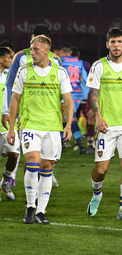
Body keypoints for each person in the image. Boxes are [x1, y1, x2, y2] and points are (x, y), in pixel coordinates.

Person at [7, 35, 73, 224]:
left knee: (46, 169)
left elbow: (68, 101)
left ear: (46, 50)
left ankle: (41, 211)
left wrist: (68, 125)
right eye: (31, 48)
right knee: (33, 164)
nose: (32, 52)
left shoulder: (60, 72)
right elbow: (15, 99)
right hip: (30, 125)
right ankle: (30, 206)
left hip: (52, 127)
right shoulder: (23, 71)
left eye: (35, 49)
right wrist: (12, 127)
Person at [86, 27, 122, 221]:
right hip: (106, 126)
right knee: (101, 170)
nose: (116, 46)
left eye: (119, 42)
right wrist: (98, 117)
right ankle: (96, 194)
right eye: (113, 42)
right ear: (107, 44)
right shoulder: (99, 66)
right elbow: (93, 94)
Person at [1, 24, 62, 188]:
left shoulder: (56, 60)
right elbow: (9, 85)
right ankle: (32, 197)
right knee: (31, 157)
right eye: (33, 39)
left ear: (48, 42)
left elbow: (59, 86)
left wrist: (62, 104)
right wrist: (7, 111)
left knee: (47, 156)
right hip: (26, 115)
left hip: (50, 116)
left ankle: (44, 180)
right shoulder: (20, 57)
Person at [60, 43, 88, 154]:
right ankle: (77, 144)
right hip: (77, 92)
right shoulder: (80, 62)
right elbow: (83, 79)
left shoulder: (60, 61)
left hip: (66, 92)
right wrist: (85, 96)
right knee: (72, 117)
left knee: (65, 117)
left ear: (63, 52)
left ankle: (76, 144)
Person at [0, 47, 20, 201]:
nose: (11, 60)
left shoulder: (8, 76)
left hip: (7, 125)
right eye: (9, 57)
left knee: (14, 154)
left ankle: (5, 181)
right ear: (1, 59)